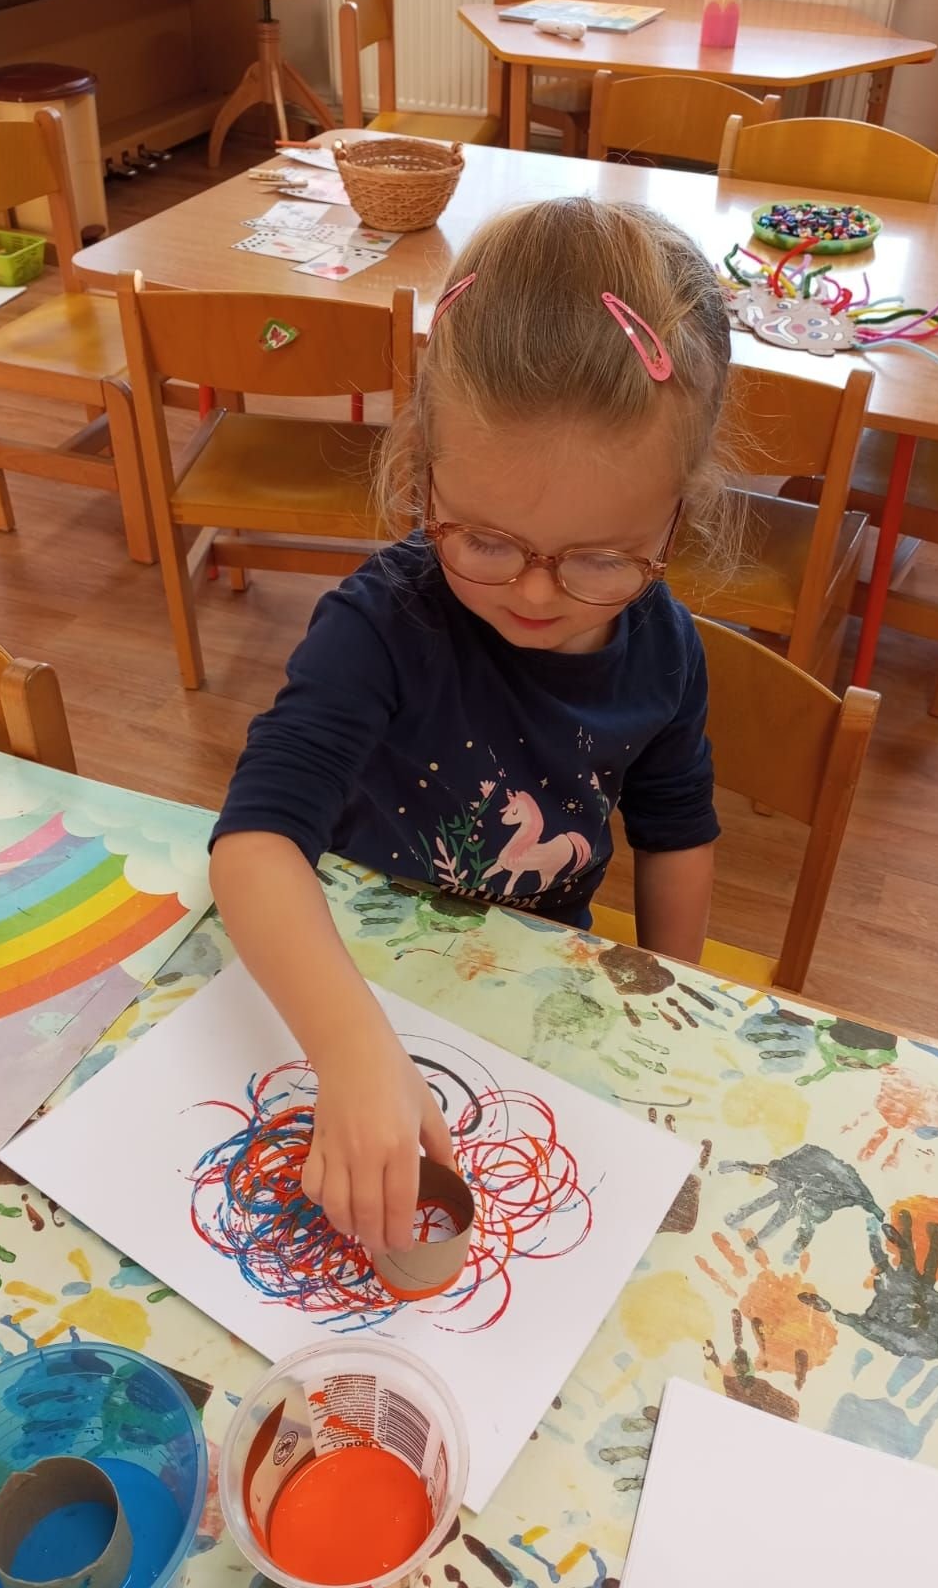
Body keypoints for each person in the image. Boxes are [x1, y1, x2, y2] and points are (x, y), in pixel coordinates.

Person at [210, 197, 738, 1259]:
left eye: (601, 558)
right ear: (422, 475)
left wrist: (664, 1008)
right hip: (340, 975)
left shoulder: (667, 652)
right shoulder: (380, 625)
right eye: (487, 541)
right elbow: (253, 843)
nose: (536, 593)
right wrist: (351, 1047)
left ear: (676, 515)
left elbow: (677, 832)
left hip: (538, 992)